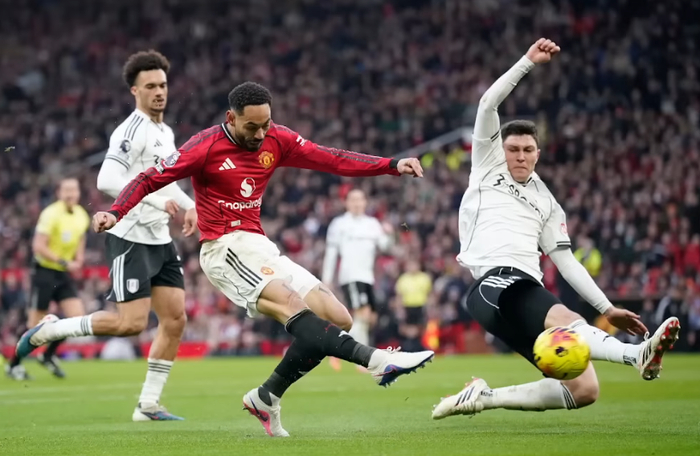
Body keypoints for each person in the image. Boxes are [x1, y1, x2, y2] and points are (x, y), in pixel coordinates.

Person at [18, 81, 435, 437]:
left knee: (337, 317)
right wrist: (116, 211)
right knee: (294, 309)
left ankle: (266, 397)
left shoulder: (277, 138)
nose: (261, 133)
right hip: (223, 249)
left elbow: (331, 158)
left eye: (266, 123)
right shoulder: (205, 145)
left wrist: (391, 165)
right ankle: (379, 360)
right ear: (231, 118)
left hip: (259, 244)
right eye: (252, 126)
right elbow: (149, 178)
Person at [431, 38, 681, 420]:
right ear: (500, 150)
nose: (519, 156)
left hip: (521, 293)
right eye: (513, 149)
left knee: (584, 390)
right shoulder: (486, 166)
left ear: (538, 153)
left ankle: (483, 397)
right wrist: (527, 62)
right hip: (494, 284)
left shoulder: (547, 201)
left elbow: (566, 262)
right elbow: (487, 104)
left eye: (527, 150)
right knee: (565, 318)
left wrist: (607, 308)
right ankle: (636, 355)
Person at [17, 50, 197, 421]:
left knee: (175, 319)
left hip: (160, 239)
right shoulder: (130, 131)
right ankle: (51, 330)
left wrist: (189, 205)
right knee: (130, 324)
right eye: (150, 86)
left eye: (162, 85)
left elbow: (166, 183)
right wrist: (155, 203)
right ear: (135, 91)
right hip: (130, 236)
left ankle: (148, 404)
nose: (159, 92)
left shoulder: (165, 132)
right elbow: (107, 180)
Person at [5, 178, 89, 381]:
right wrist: (64, 262)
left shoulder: (82, 214)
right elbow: (38, 246)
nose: (70, 194)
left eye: (74, 190)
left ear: (79, 192)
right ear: (59, 193)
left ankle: (48, 355)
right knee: (34, 324)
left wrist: (79, 259)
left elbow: (80, 238)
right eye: (66, 190)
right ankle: (14, 365)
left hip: (62, 273)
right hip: (44, 271)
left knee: (77, 319)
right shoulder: (50, 214)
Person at [322, 189, 393, 371]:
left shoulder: (372, 224)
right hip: (350, 275)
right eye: (353, 200)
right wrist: (327, 279)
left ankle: (338, 348)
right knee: (362, 314)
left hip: (367, 276)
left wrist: (389, 234)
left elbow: (386, 246)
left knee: (369, 318)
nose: (356, 203)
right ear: (346, 203)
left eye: (360, 199)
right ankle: (362, 359)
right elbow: (331, 253)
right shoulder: (339, 224)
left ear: (365, 202)